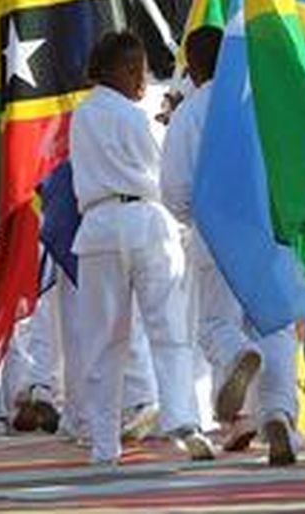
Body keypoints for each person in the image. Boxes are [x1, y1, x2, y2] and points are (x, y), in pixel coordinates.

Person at [69, 30, 214, 466]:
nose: (140, 77)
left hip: (99, 225)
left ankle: (103, 443)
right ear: (107, 70)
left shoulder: (83, 114)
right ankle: (183, 420)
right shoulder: (131, 118)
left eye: (142, 68)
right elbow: (161, 170)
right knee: (167, 328)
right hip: (145, 220)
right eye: (131, 68)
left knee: (103, 339)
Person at [163, 23, 300, 464]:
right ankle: (278, 415)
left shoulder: (189, 113)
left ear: (192, 68)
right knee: (274, 324)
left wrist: (197, 219)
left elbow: (175, 187)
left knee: (215, 323)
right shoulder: (257, 101)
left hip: (215, 227)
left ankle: (237, 354)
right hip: (266, 225)